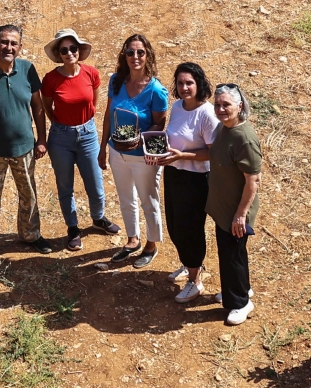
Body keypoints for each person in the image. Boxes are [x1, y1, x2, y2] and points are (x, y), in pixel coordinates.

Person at [0, 23, 54, 267]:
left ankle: (30, 234)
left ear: (20, 47)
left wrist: (42, 139)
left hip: (24, 148)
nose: (8, 47)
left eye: (13, 43)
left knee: (29, 194)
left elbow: (37, 107)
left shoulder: (27, 70)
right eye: (4, 42)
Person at [39, 28, 122, 251]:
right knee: (65, 185)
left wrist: (83, 122)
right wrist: (60, 123)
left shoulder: (91, 73)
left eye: (73, 48)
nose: (69, 53)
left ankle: (98, 218)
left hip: (87, 134)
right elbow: (47, 106)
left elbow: (93, 104)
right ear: (59, 53)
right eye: (64, 50)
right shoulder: (51, 79)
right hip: (60, 137)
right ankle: (73, 228)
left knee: (95, 182)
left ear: (79, 50)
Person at [147, 62, 219, 302]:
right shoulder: (177, 107)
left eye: (189, 82)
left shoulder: (207, 114)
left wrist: (183, 156)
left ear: (199, 84)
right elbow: (172, 138)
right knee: (175, 224)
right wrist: (156, 153)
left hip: (197, 178)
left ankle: (195, 280)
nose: (185, 87)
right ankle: (190, 265)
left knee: (191, 228)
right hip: (174, 173)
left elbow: (212, 152)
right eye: (180, 83)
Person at [99, 33, 168, 268]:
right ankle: (132, 239)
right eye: (130, 52)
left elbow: (161, 123)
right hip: (117, 151)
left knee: (148, 200)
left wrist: (142, 142)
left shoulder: (156, 90)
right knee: (126, 197)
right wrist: (102, 148)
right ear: (124, 56)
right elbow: (109, 115)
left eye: (140, 52)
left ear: (147, 55)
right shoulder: (116, 81)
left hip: (143, 157)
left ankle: (151, 245)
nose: (135, 57)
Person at [208, 83, 262, 326]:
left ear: (239, 106)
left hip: (235, 211)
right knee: (232, 253)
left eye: (226, 105)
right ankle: (239, 289)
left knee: (232, 256)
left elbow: (253, 181)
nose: (220, 109)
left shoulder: (245, 139)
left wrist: (241, 215)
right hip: (224, 207)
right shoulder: (224, 127)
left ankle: (240, 302)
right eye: (217, 104)